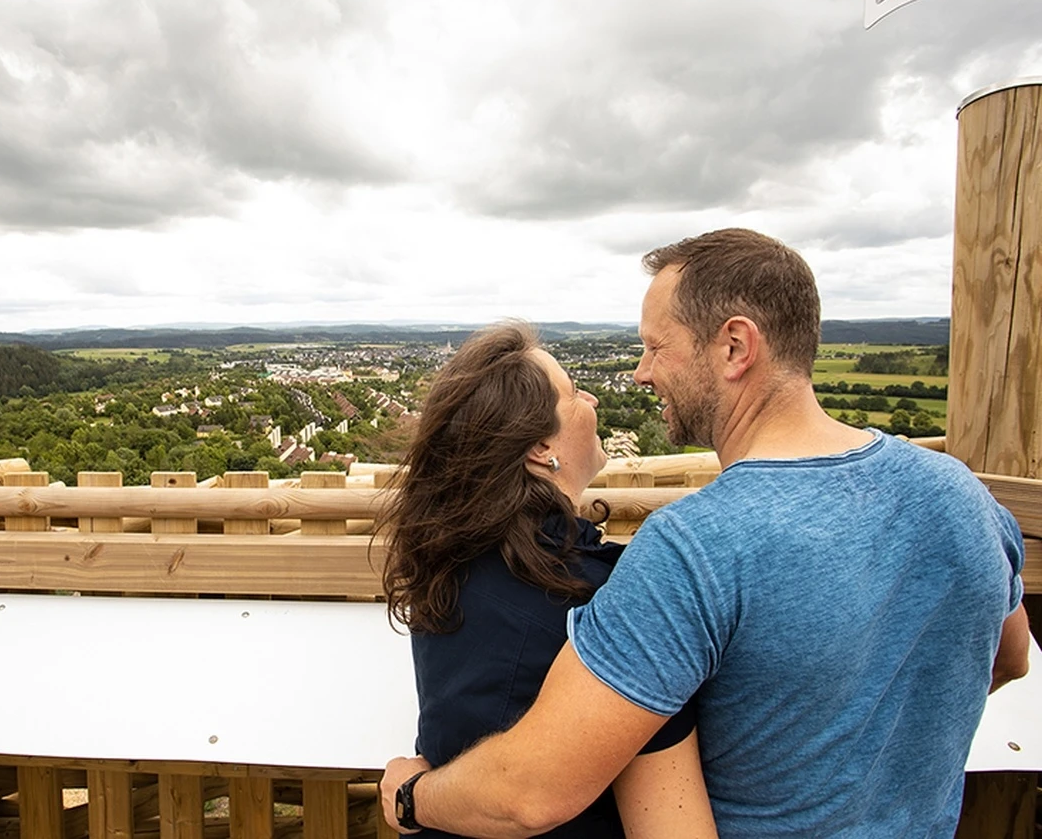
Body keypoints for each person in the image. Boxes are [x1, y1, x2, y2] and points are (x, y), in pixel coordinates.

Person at [380, 228, 1030, 838]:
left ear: (734, 347)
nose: (638, 372)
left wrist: (414, 797)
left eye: (656, 346)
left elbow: (534, 789)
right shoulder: (963, 496)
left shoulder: (692, 551)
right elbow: (1007, 656)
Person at [378, 322, 716, 838]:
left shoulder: (444, 566)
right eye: (574, 391)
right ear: (540, 445)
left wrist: (412, 800)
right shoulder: (600, 599)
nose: (594, 398)